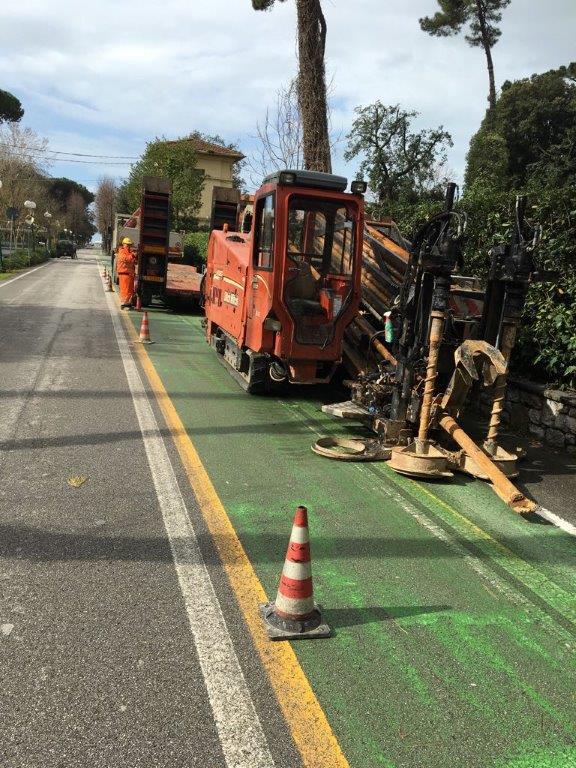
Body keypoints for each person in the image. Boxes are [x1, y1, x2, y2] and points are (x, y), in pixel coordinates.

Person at [116, 237, 137, 309]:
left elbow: (132, 261)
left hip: (129, 274)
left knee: (129, 290)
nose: (128, 246)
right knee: (125, 289)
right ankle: (124, 302)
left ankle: (127, 302)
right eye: (127, 245)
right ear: (123, 244)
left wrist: (134, 257)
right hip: (124, 274)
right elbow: (126, 259)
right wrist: (133, 255)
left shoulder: (129, 252)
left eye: (129, 245)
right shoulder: (122, 251)